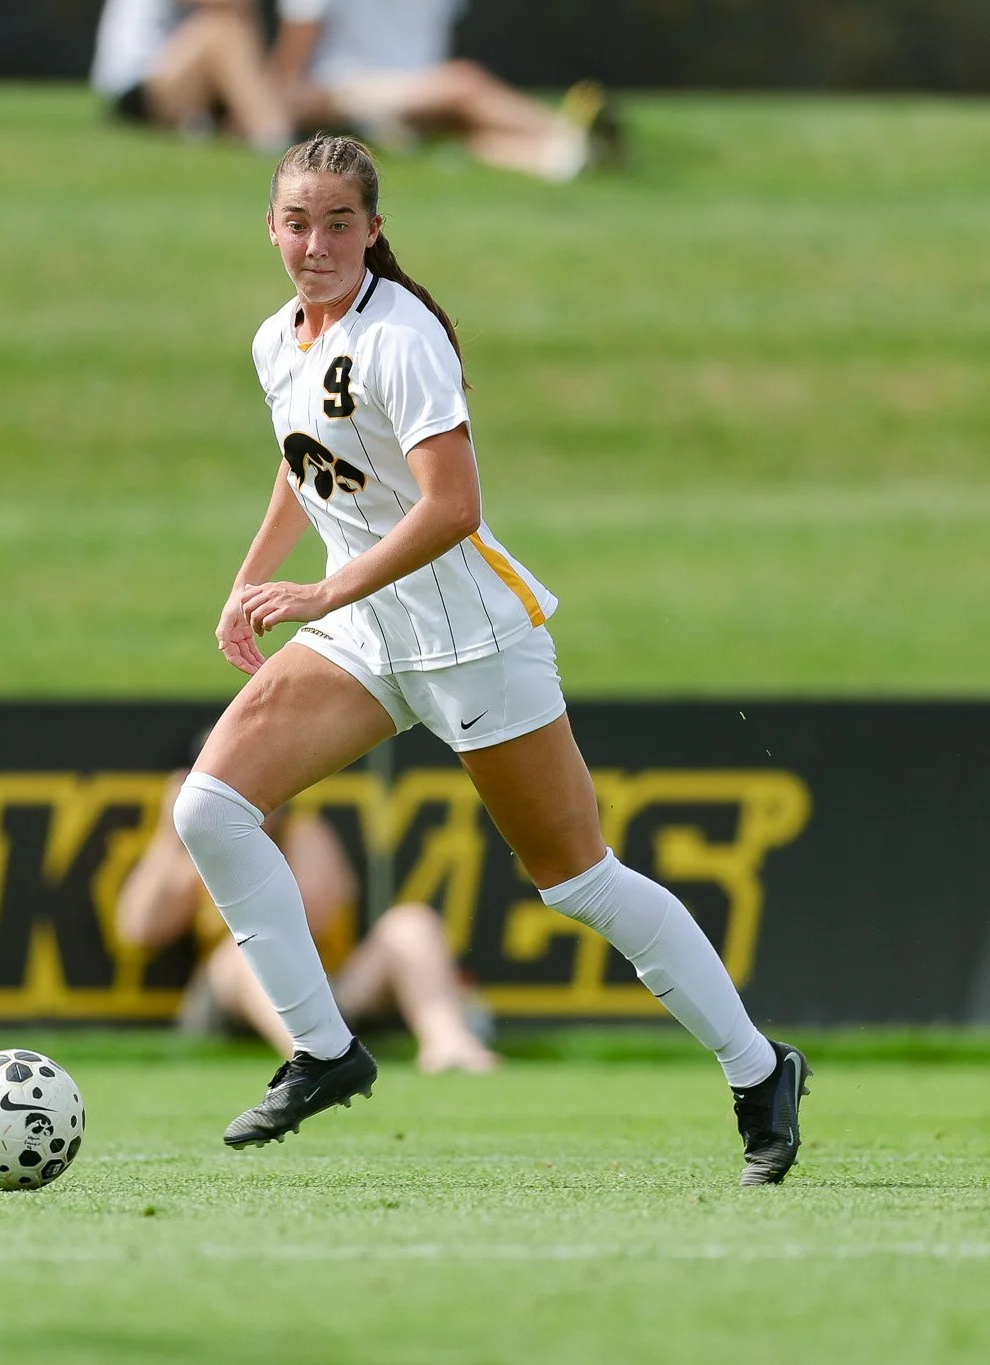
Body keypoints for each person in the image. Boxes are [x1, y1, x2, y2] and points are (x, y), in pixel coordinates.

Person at [171, 133, 807, 1184]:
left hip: (470, 634)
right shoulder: (274, 340)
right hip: (367, 633)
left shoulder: (401, 334)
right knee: (208, 809)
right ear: (270, 229)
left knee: (577, 883)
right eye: (296, 223)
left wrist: (321, 589)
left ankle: (756, 1068)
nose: (316, 243)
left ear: (373, 230)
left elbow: (453, 507)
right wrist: (251, 582)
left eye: (339, 223)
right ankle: (322, 1052)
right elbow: (303, 463)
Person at [119, 766, 498, 1072]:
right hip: (237, 1003)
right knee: (248, 950)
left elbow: (311, 916)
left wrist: (265, 832)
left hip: (329, 993)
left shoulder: (304, 832)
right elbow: (137, 932)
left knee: (410, 923)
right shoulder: (195, 858)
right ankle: (318, 1061)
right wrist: (173, 832)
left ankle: (449, 1045)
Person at [267, 0, 618, 182]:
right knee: (465, 84)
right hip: (345, 92)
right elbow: (288, 71)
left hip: (417, 95)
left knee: (462, 126)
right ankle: (570, 130)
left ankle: (565, 156)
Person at [91, 0, 294, 152]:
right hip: (138, 86)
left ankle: (246, 123)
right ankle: (273, 137)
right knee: (223, 30)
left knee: (228, 30)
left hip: (173, 77)